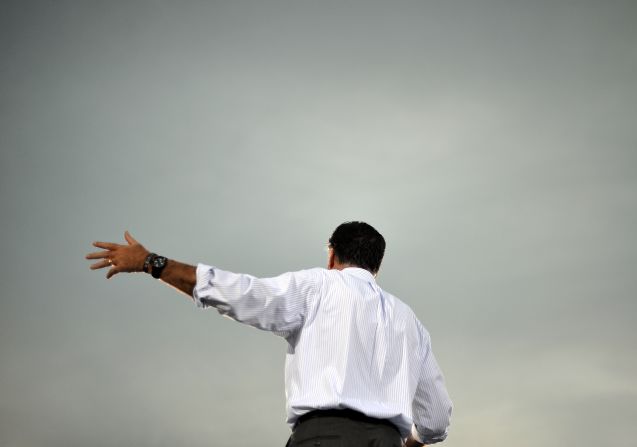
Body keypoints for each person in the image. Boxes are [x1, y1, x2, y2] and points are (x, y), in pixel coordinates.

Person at [86, 222, 452, 446]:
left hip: (325, 438)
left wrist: (153, 263)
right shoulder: (410, 322)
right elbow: (436, 419)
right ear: (377, 266)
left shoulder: (318, 285)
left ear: (331, 255)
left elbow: (241, 293)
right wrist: (407, 442)